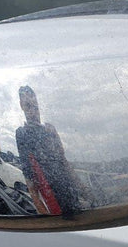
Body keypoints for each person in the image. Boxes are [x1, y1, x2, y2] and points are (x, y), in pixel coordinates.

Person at [14, 86, 82, 216]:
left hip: (71, 194)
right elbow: (30, 180)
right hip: (54, 204)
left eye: (35, 107)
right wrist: (46, 216)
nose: (33, 111)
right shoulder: (22, 133)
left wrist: (85, 191)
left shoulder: (49, 129)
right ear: (21, 105)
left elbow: (64, 162)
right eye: (28, 106)